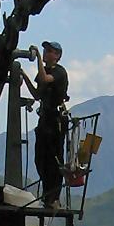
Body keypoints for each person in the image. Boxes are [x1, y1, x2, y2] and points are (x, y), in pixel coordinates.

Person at [19, 40, 70, 208]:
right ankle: (48, 194)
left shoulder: (59, 72)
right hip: (45, 118)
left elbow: (44, 79)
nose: (46, 53)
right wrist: (24, 76)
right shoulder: (45, 71)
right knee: (40, 158)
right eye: (45, 51)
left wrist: (39, 59)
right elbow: (37, 94)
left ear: (57, 56)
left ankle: (53, 197)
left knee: (54, 158)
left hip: (55, 119)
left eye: (49, 51)